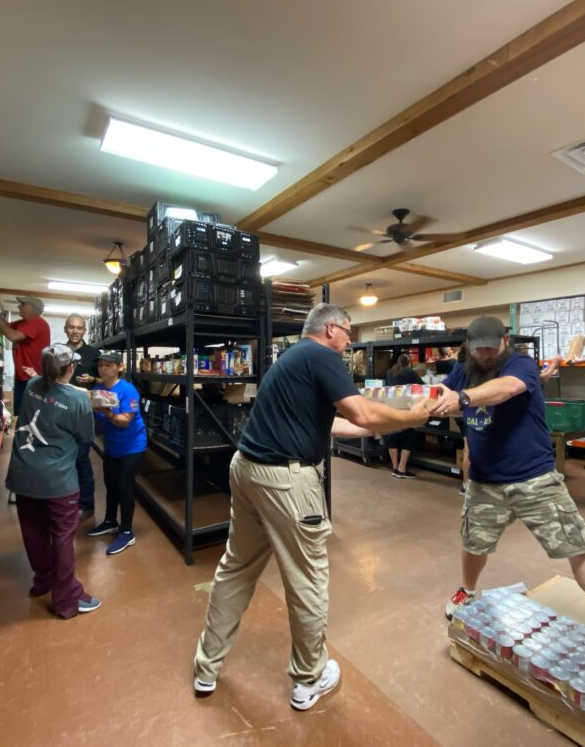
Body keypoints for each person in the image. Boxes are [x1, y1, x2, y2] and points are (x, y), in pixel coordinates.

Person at [193, 303, 435, 711]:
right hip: (285, 481)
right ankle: (308, 678)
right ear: (331, 329)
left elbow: (333, 423)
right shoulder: (325, 356)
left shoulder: (292, 359)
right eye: (348, 333)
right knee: (307, 579)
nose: (349, 341)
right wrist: (413, 417)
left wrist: (384, 422)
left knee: (236, 568)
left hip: (247, 469)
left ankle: (206, 667)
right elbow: (361, 412)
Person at [432, 316, 585, 652]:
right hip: (485, 481)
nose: (485, 354)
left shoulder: (521, 365)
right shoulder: (465, 368)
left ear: (505, 341)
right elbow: (445, 391)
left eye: (491, 347)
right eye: (478, 350)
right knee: (474, 541)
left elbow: (507, 389)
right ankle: (467, 590)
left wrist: (462, 398)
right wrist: (426, 398)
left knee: (577, 547)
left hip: (534, 478)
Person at [4, 344, 100, 619]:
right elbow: (85, 436)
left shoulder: (33, 384)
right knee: (62, 537)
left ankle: (43, 581)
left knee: (33, 530)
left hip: (23, 475)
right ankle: (67, 599)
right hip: (58, 480)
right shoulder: (77, 399)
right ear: (71, 368)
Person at [85, 351, 147, 556]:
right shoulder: (98, 389)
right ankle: (110, 521)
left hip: (132, 446)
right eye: (101, 365)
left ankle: (127, 531)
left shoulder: (128, 391)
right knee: (110, 484)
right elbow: (94, 418)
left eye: (108, 365)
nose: (103, 369)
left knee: (124, 486)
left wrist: (109, 413)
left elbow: (125, 421)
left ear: (119, 367)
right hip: (112, 446)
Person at [0, 296, 52, 417]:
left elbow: (14, 336)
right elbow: (5, 324)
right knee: (20, 415)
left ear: (33, 308)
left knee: (29, 416)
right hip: (23, 378)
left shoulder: (38, 322)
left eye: (22, 304)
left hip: (33, 378)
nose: (18, 307)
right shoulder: (24, 323)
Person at [63, 314, 101, 518]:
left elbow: (107, 381)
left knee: (81, 459)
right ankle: (66, 499)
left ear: (85, 330)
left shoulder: (94, 354)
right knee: (63, 459)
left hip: (84, 415)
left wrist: (94, 378)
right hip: (61, 413)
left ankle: (86, 503)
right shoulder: (59, 351)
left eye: (79, 328)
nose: (75, 331)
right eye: (71, 327)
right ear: (65, 329)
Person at [385, 353, 424, 479]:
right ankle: (402, 469)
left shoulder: (389, 372)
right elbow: (422, 386)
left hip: (391, 407)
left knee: (393, 436)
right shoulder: (410, 372)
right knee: (408, 436)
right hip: (406, 409)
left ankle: (395, 467)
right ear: (408, 362)